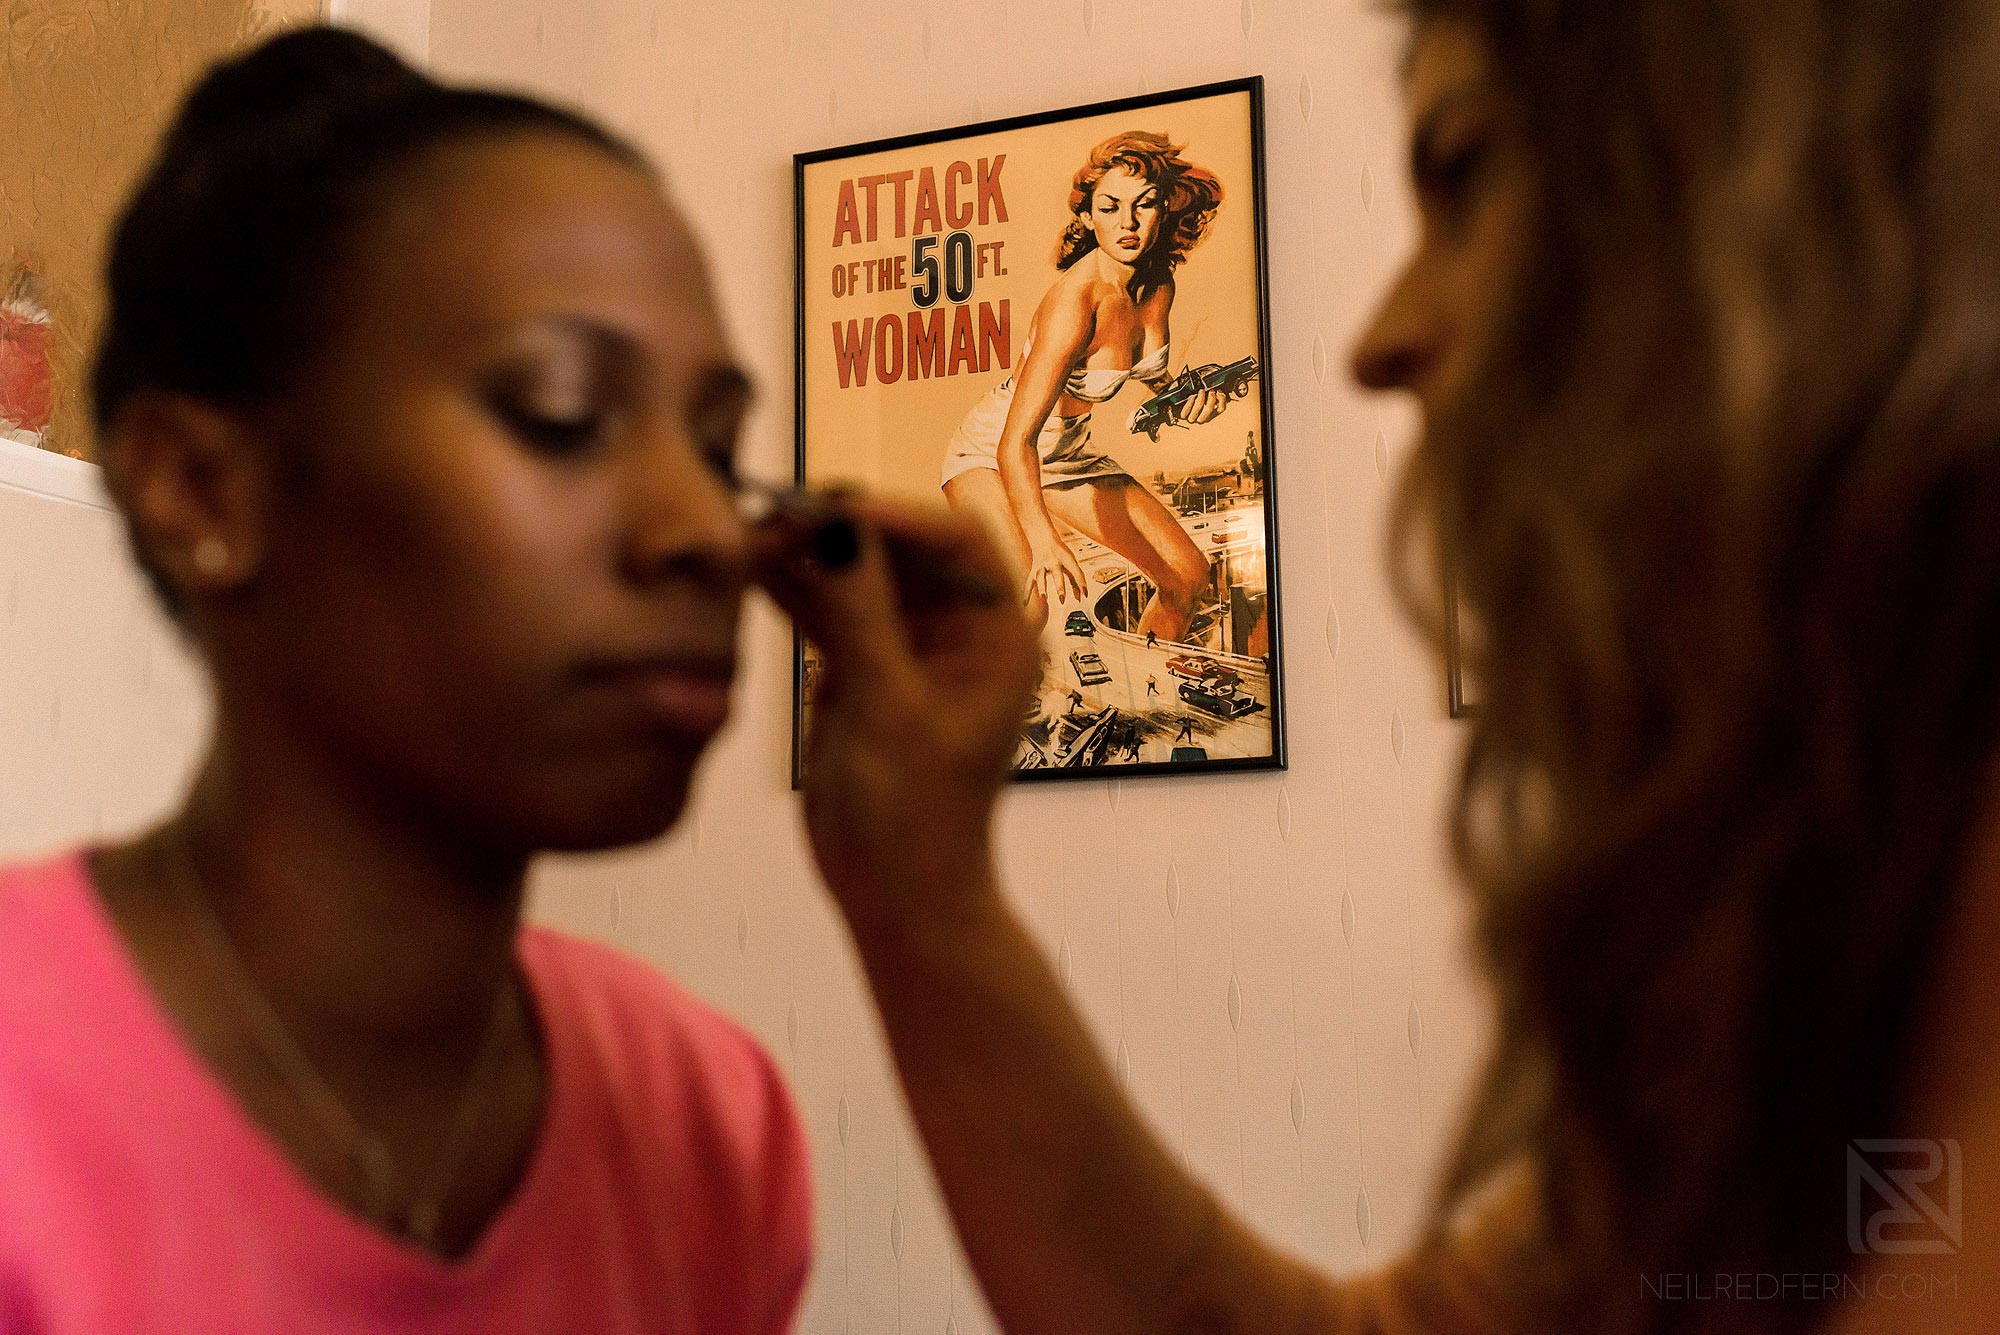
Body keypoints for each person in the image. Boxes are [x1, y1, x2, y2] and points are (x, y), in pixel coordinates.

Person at [766, 1, 2000, 1332]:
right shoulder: (1815, 907)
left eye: (1464, 172)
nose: (1378, 340)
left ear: (1780, 197)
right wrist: (920, 886)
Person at [0, 29, 811, 1330]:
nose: (709, 530)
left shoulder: (704, 1116)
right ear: (203, 488)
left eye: (718, 449)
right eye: (560, 414)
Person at [939, 131, 1235, 642]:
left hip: (1068, 454)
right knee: (1028, 610)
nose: (1128, 223)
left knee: (1187, 578)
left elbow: (1150, 377)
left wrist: (1191, 400)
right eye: (1110, 207)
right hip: (992, 453)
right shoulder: (1074, 303)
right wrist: (1044, 540)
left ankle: (1155, 678)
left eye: (1144, 204)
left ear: (1164, 208)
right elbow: (1015, 443)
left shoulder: (1157, 285)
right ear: (1087, 215)